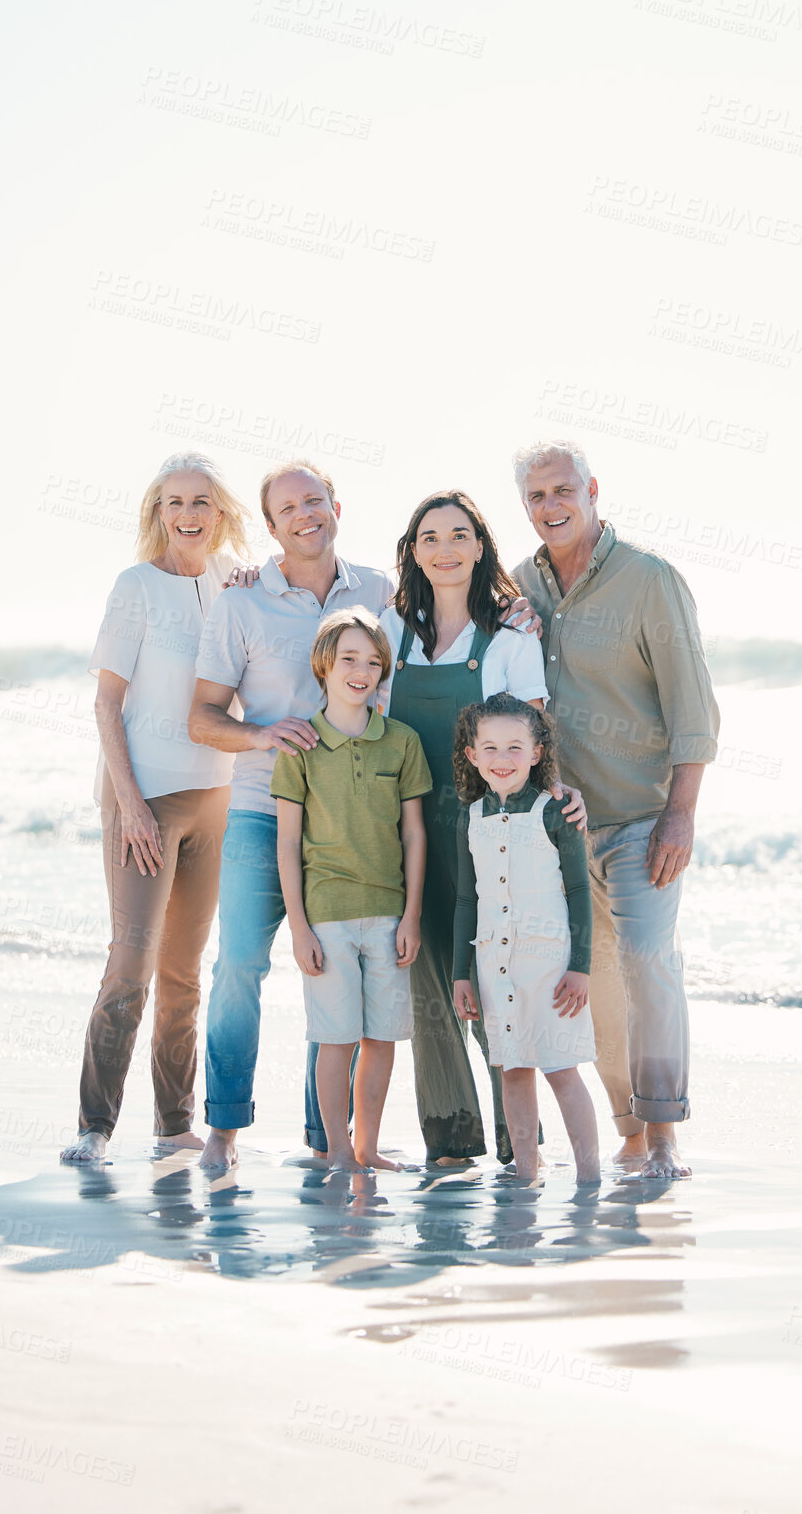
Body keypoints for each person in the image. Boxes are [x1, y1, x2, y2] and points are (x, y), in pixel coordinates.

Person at [511, 440, 719, 1178]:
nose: (551, 507)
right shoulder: (518, 588)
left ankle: (663, 1133)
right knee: (591, 987)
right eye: (535, 497)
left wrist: (681, 814)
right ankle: (628, 1128)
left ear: (592, 490)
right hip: (559, 832)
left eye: (563, 490)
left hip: (641, 820)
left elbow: (693, 707)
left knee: (644, 960)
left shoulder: (649, 580)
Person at [190, 462, 396, 1174]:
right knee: (239, 966)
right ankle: (222, 1129)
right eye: (289, 508)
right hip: (257, 810)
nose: (306, 514)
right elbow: (202, 717)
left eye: (316, 500)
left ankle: (324, 1138)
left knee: (331, 969)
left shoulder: (380, 591)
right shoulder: (239, 602)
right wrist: (261, 735)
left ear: (337, 505)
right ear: (271, 527)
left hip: (349, 823)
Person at [377, 490, 586, 1167]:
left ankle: (516, 1144)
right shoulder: (390, 631)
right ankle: (450, 1138)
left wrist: (558, 794)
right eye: (430, 536)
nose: (444, 548)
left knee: (495, 983)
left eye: (458, 535)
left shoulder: (512, 636)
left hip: (488, 836)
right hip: (403, 829)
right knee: (429, 982)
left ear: (479, 547)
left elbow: (536, 738)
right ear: (413, 550)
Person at [61, 452, 252, 1165]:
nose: (188, 515)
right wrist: (132, 806)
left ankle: (174, 1126)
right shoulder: (135, 586)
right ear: (158, 513)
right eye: (174, 502)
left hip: (217, 797)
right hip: (143, 799)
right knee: (132, 963)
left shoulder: (236, 582)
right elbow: (107, 703)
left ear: (221, 512)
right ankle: (94, 1126)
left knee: (184, 972)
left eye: (201, 501)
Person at [272, 609, 431, 1170]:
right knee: (336, 1041)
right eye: (349, 659)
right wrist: (298, 927)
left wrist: (411, 916)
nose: (361, 671)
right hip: (328, 917)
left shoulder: (401, 742)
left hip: (389, 915)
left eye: (373, 662)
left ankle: (367, 1147)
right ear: (324, 665)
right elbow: (287, 842)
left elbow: (413, 833)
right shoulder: (301, 744)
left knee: (382, 1039)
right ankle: (338, 1151)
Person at [452, 694, 599, 1184]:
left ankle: (589, 1175)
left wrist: (582, 965)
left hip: (552, 967)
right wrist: (460, 976)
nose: (502, 758)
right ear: (472, 755)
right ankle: (526, 1172)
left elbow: (580, 891)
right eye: (489, 747)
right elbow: (466, 901)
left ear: (537, 753)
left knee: (560, 1068)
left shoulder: (554, 811)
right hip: (495, 965)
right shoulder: (470, 818)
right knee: (512, 1069)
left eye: (515, 746)